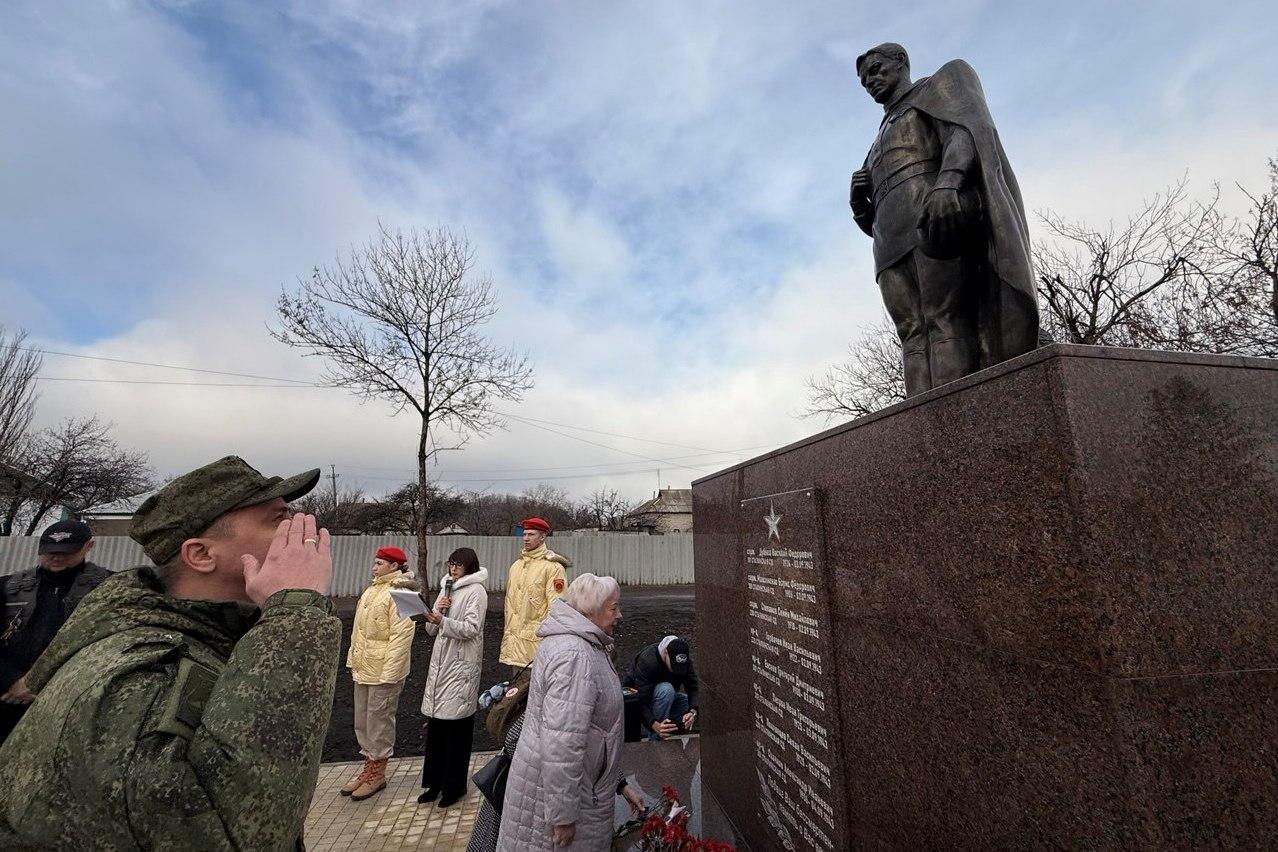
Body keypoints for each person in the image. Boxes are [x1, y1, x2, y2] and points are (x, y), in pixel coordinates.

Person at [0, 455, 339, 850]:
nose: (302, 529)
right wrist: (296, 610)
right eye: (279, 519)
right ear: (201, 555)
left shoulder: (208, 639)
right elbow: (233, 835)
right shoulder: (137, 680)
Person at [849, 42, 1038, 396]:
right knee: (910, 330)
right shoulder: (876, 142)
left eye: (874, 70)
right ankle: (920, 418)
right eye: (863, 81)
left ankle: (957, 413)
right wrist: (859, 203)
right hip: (889, 242)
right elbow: (870, 222)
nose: (870, 81)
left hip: (932, 220)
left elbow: (963, 134)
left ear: (900, 61)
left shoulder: (932, 92)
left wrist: (948, 183)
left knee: (944, 318)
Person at [499, 573, 644, 851]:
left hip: (572, 789)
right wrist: (563, 817)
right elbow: (562, 744)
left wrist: (620, 784)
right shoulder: (575, 656)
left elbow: (595, 735)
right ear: (590, 611)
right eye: (613, 608)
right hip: (562, 803)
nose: (619, 615)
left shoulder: (583, 644)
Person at [0, 519, 111, 744]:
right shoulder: (8, 587)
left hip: (75, 702)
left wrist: (54, 687)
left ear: (88, 546)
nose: (57, 557)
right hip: (8, 701)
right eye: (50, 551)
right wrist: (11, 681)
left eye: (66, 551)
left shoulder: (111, 588)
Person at [341, 544, 418, 800]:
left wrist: (390, 673)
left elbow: (402, 636)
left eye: (379, 564)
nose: (374, 568)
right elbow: (358, 631)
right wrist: (354, 660)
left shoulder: (403, 592)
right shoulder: (371, 590)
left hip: (384, 671)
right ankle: (368, 767)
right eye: (375, 563)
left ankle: (378, 773)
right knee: (363, 720)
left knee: (379, 722)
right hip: (365, 667)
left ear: (395, 566)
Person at [419, 547, 488, 808]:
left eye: (458, 565)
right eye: (451, 564)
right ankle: (433, 783)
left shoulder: (476, 591)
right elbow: (430, 629)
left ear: (469, 566)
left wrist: (443, 622)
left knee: (456, 728)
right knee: (436, 728)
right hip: (440, 666)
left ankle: (454, 786)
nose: (453, 569)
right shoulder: (446, 588)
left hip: (460, 667)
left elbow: (472, 628)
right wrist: (435, 613)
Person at [499, 517, 571, 673]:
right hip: (515, 646)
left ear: (543, 537)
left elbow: (558, 608)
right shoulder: (516, 566)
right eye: (524, 534)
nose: (526, 538)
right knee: (516, 687)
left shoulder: (553, 568)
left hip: (537, 647)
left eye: (531, 534)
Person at [626, 635, 699, 741]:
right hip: (639, 704)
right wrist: (653, 724)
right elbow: (640, 700)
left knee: (692, 703)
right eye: (673, 665)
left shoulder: (684, 659)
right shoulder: (648, 661)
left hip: (667, 701)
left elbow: (693, 688)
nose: (676, 670)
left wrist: (692, 712)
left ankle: (670, 729)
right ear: (666, 653)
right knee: (666, 690)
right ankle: (656, 739)